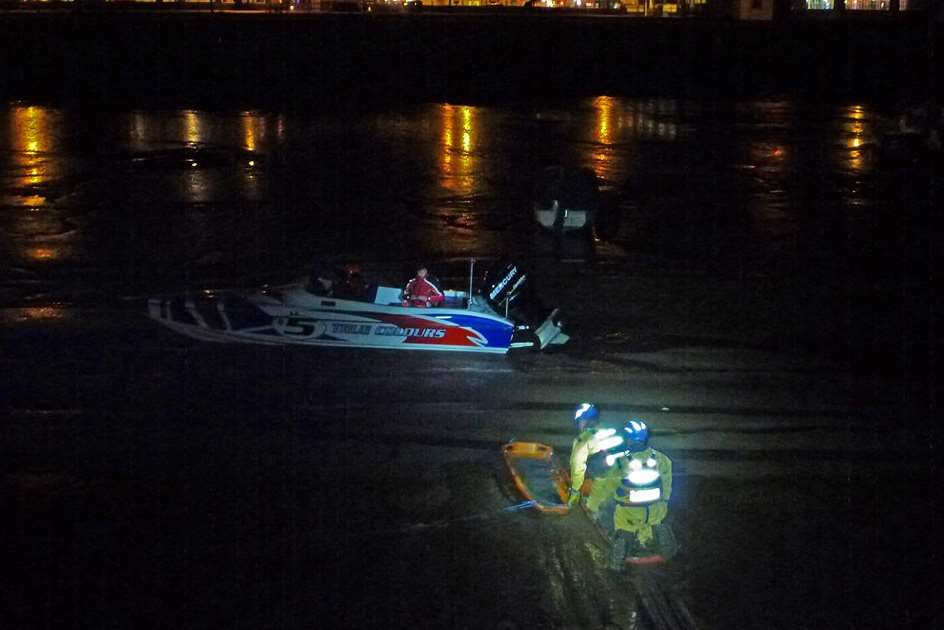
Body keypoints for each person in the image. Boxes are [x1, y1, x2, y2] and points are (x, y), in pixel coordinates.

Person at [597, 419, 674, 568]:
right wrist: (664, 501)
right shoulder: (662, 459)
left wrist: (596, 504)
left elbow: (607, 486)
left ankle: (616, 566)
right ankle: (666, 552)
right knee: (660, 526)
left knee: (623, 533)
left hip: (628, 512)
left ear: (628, 439)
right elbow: (667, 483)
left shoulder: (621, 462)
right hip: (655, 510)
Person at [567, 403, 626, 508]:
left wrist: (575, 492)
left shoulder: (584, 439)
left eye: (579, 421)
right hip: (624, 478)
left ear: (583, 421)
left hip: (602, 482)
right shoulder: (610, 430)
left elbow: (578, 466)